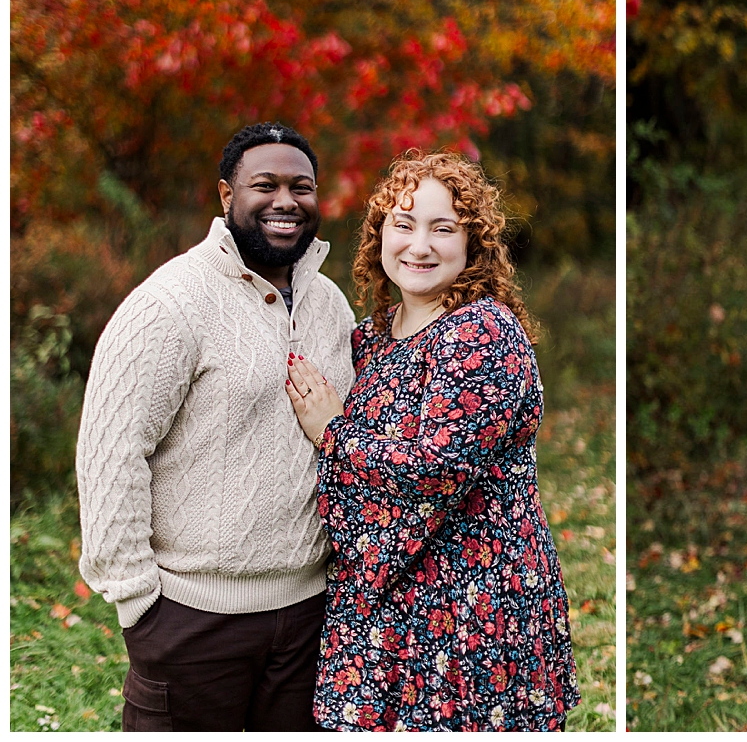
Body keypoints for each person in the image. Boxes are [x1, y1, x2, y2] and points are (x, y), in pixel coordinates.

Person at [283, 151, 579, 731]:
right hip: (382, 613)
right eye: (404, 223)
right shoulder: (370, 339)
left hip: (470, 617)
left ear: (473, 244)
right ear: (380, 235)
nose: (419, 245)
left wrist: (331, 433)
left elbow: (430, 467)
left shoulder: (484, 333)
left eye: (442, 228)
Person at [76, 122, 355, 731]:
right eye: (266, 185)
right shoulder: (171, 303)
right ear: (227, 196)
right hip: (191, 621)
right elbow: (113, 453)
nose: (286, 200)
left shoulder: (331, 304)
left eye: (302, 187)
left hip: (313, 616)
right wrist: (140, 606)